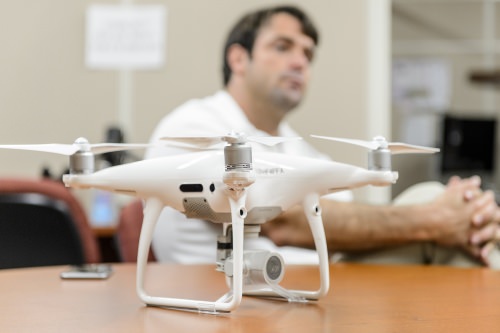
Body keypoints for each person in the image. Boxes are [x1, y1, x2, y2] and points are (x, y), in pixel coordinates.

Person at [145, 5, 500, 267]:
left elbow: (350, 218)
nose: (300, 62)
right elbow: (281, 220)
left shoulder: (291, 143)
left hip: (306, 287)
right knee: (439, 215)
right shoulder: (193, 126)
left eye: (308, 54)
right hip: (238, 297)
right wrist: (435, 220)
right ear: (239, 59)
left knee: (446, 207)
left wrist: (457, 217)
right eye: (283, 47)